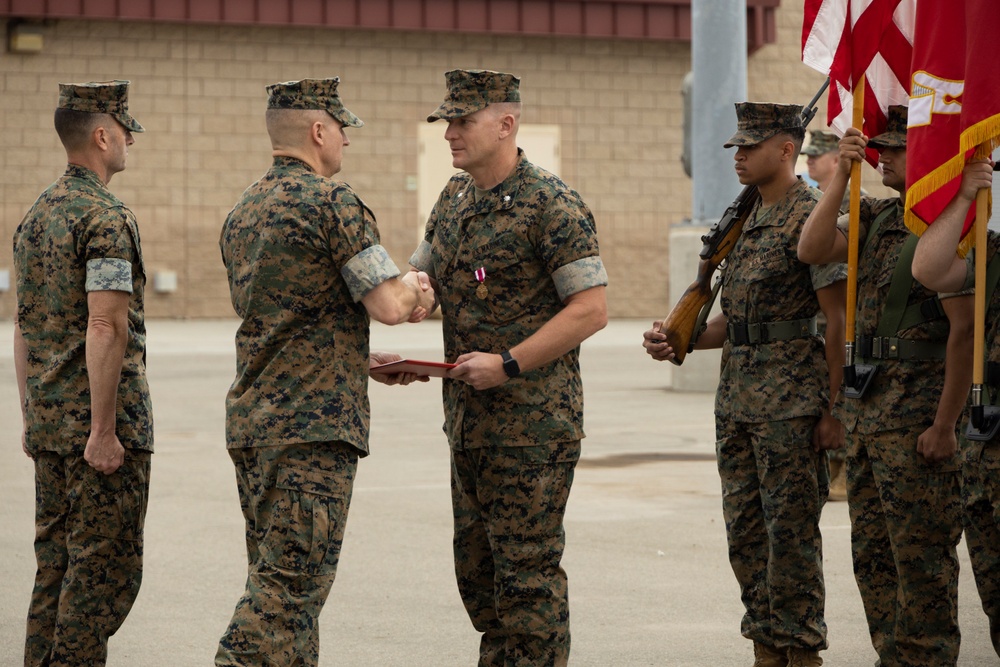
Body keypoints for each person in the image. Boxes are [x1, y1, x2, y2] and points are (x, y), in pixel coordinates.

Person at [216, 77, 434, 667]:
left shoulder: (243, 211)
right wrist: (416, 289)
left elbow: (286, 318)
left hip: (256, 424)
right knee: (287, 593)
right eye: (342, 130)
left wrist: (355, 362)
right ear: (318, 131)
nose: (346, 143)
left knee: (286, 589)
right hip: (313, 431)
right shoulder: (333, 203)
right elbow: (388, 305)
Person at [406, 68, 608, 666]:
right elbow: (425, 278)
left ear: (506, 122)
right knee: (480, 578)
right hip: (468, 424)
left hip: (531, 429)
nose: (450, 134)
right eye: (446, 122)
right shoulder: (454, 198)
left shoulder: (553, 205)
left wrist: (510, 363)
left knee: (527, 581)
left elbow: (590, 310)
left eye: (462, 121)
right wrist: (413, 305)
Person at [644, 103, 845, 667]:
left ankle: (800, 650)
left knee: (792, 538)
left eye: (750, 146)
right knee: (746, 535)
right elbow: (742, 320)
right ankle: (766, 648)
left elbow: (836, 320)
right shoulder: (744, 217)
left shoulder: (812, 215)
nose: (738, 156)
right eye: (736, 146)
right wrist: (680, 338)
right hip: (737, 402)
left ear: (786, 150)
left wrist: (835, 410)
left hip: (792, 404)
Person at [797, 106, 972, 667]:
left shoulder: (951, 224)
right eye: (881, 147)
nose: (883, 156)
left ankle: (927, 657)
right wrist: (842, 177)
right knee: (873, 554)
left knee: (921, 556)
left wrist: (946, 424)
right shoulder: (875, 217)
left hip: (918, 417)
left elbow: (963, 335)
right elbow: (811, 247)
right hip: (871, 417)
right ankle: (891, 654)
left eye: (896, 148)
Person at [13, 80, 152, 667]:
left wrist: (30, 416)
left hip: (49, 428)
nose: (128, 145)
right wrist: (102, 430)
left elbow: (21, 327)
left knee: (55, 569)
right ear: (101, 135)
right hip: (98, 435)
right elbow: (105, 325)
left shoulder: (36, 217)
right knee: (97, 581)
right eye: (124, 134)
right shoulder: (106, 219)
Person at [910, 157, 998, 657]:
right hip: (987, 436)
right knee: (994, 589)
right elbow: (929, 269)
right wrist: (964, 196)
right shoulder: (994, 251)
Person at [803, 128, 853, 501]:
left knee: (840, 397)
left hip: (839, 317)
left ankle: (844, 469)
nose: (810, 161)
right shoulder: (815, 201)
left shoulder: (855, 203)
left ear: (837, 160)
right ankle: (833, 467)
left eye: (816, 155)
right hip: (816, 326)